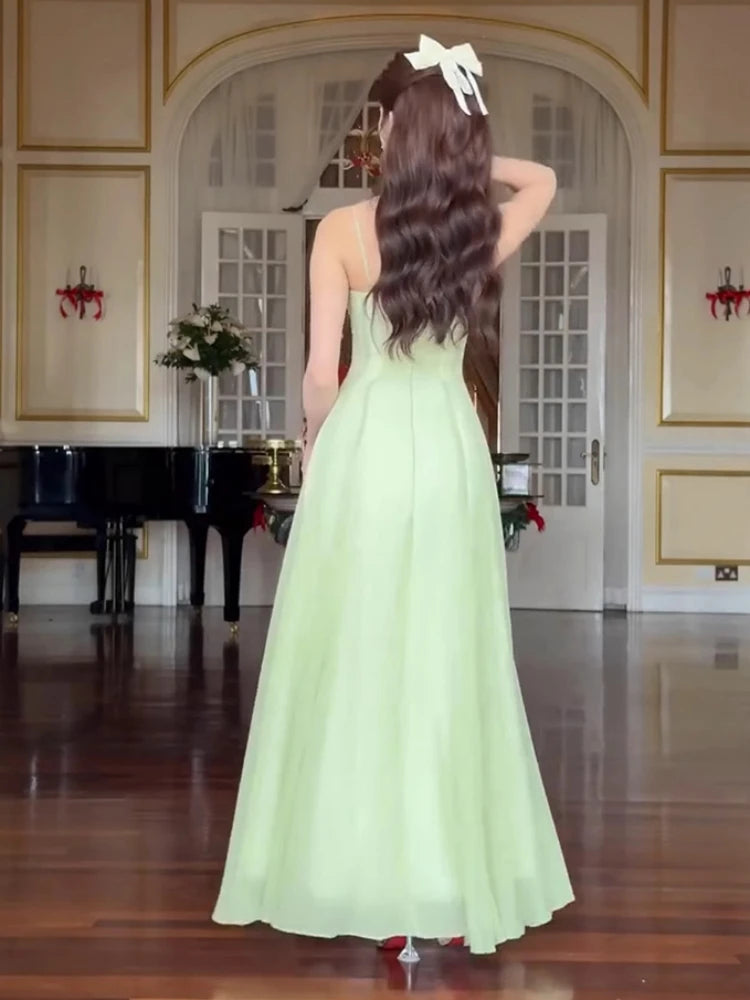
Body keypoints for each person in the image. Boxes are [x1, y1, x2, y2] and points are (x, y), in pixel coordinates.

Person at [212, 35, 573, 958]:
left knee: (357, 654)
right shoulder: (474, 229)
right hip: (447, 449)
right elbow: (542, 182)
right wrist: (463, 160)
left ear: (385, 132)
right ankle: (446, 883)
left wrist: (314, 444)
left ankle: (356, 872)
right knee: (447, 657)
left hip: (366, 448)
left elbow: (320, 377)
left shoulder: (340, 229)